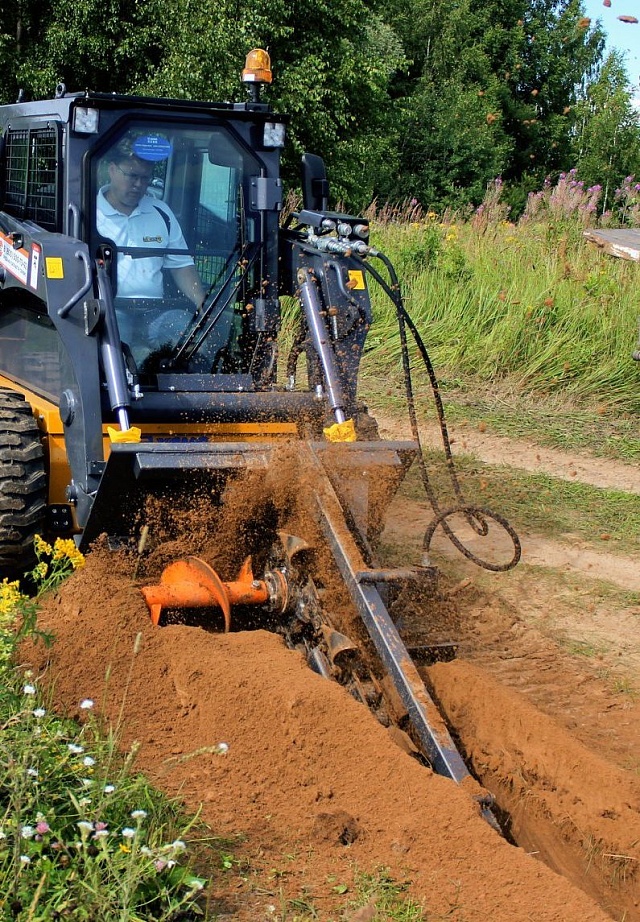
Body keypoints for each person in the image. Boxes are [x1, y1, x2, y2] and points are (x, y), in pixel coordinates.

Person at [96, 139, 206, 358]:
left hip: (155, 311)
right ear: (112, 170)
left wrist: (204, 307)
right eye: (132, 176)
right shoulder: (91, 212)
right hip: (111, 309)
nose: (138, 184)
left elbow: (181, 265)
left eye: (145, 178)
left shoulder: (161, 212)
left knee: (190, 334)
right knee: (118, 351)